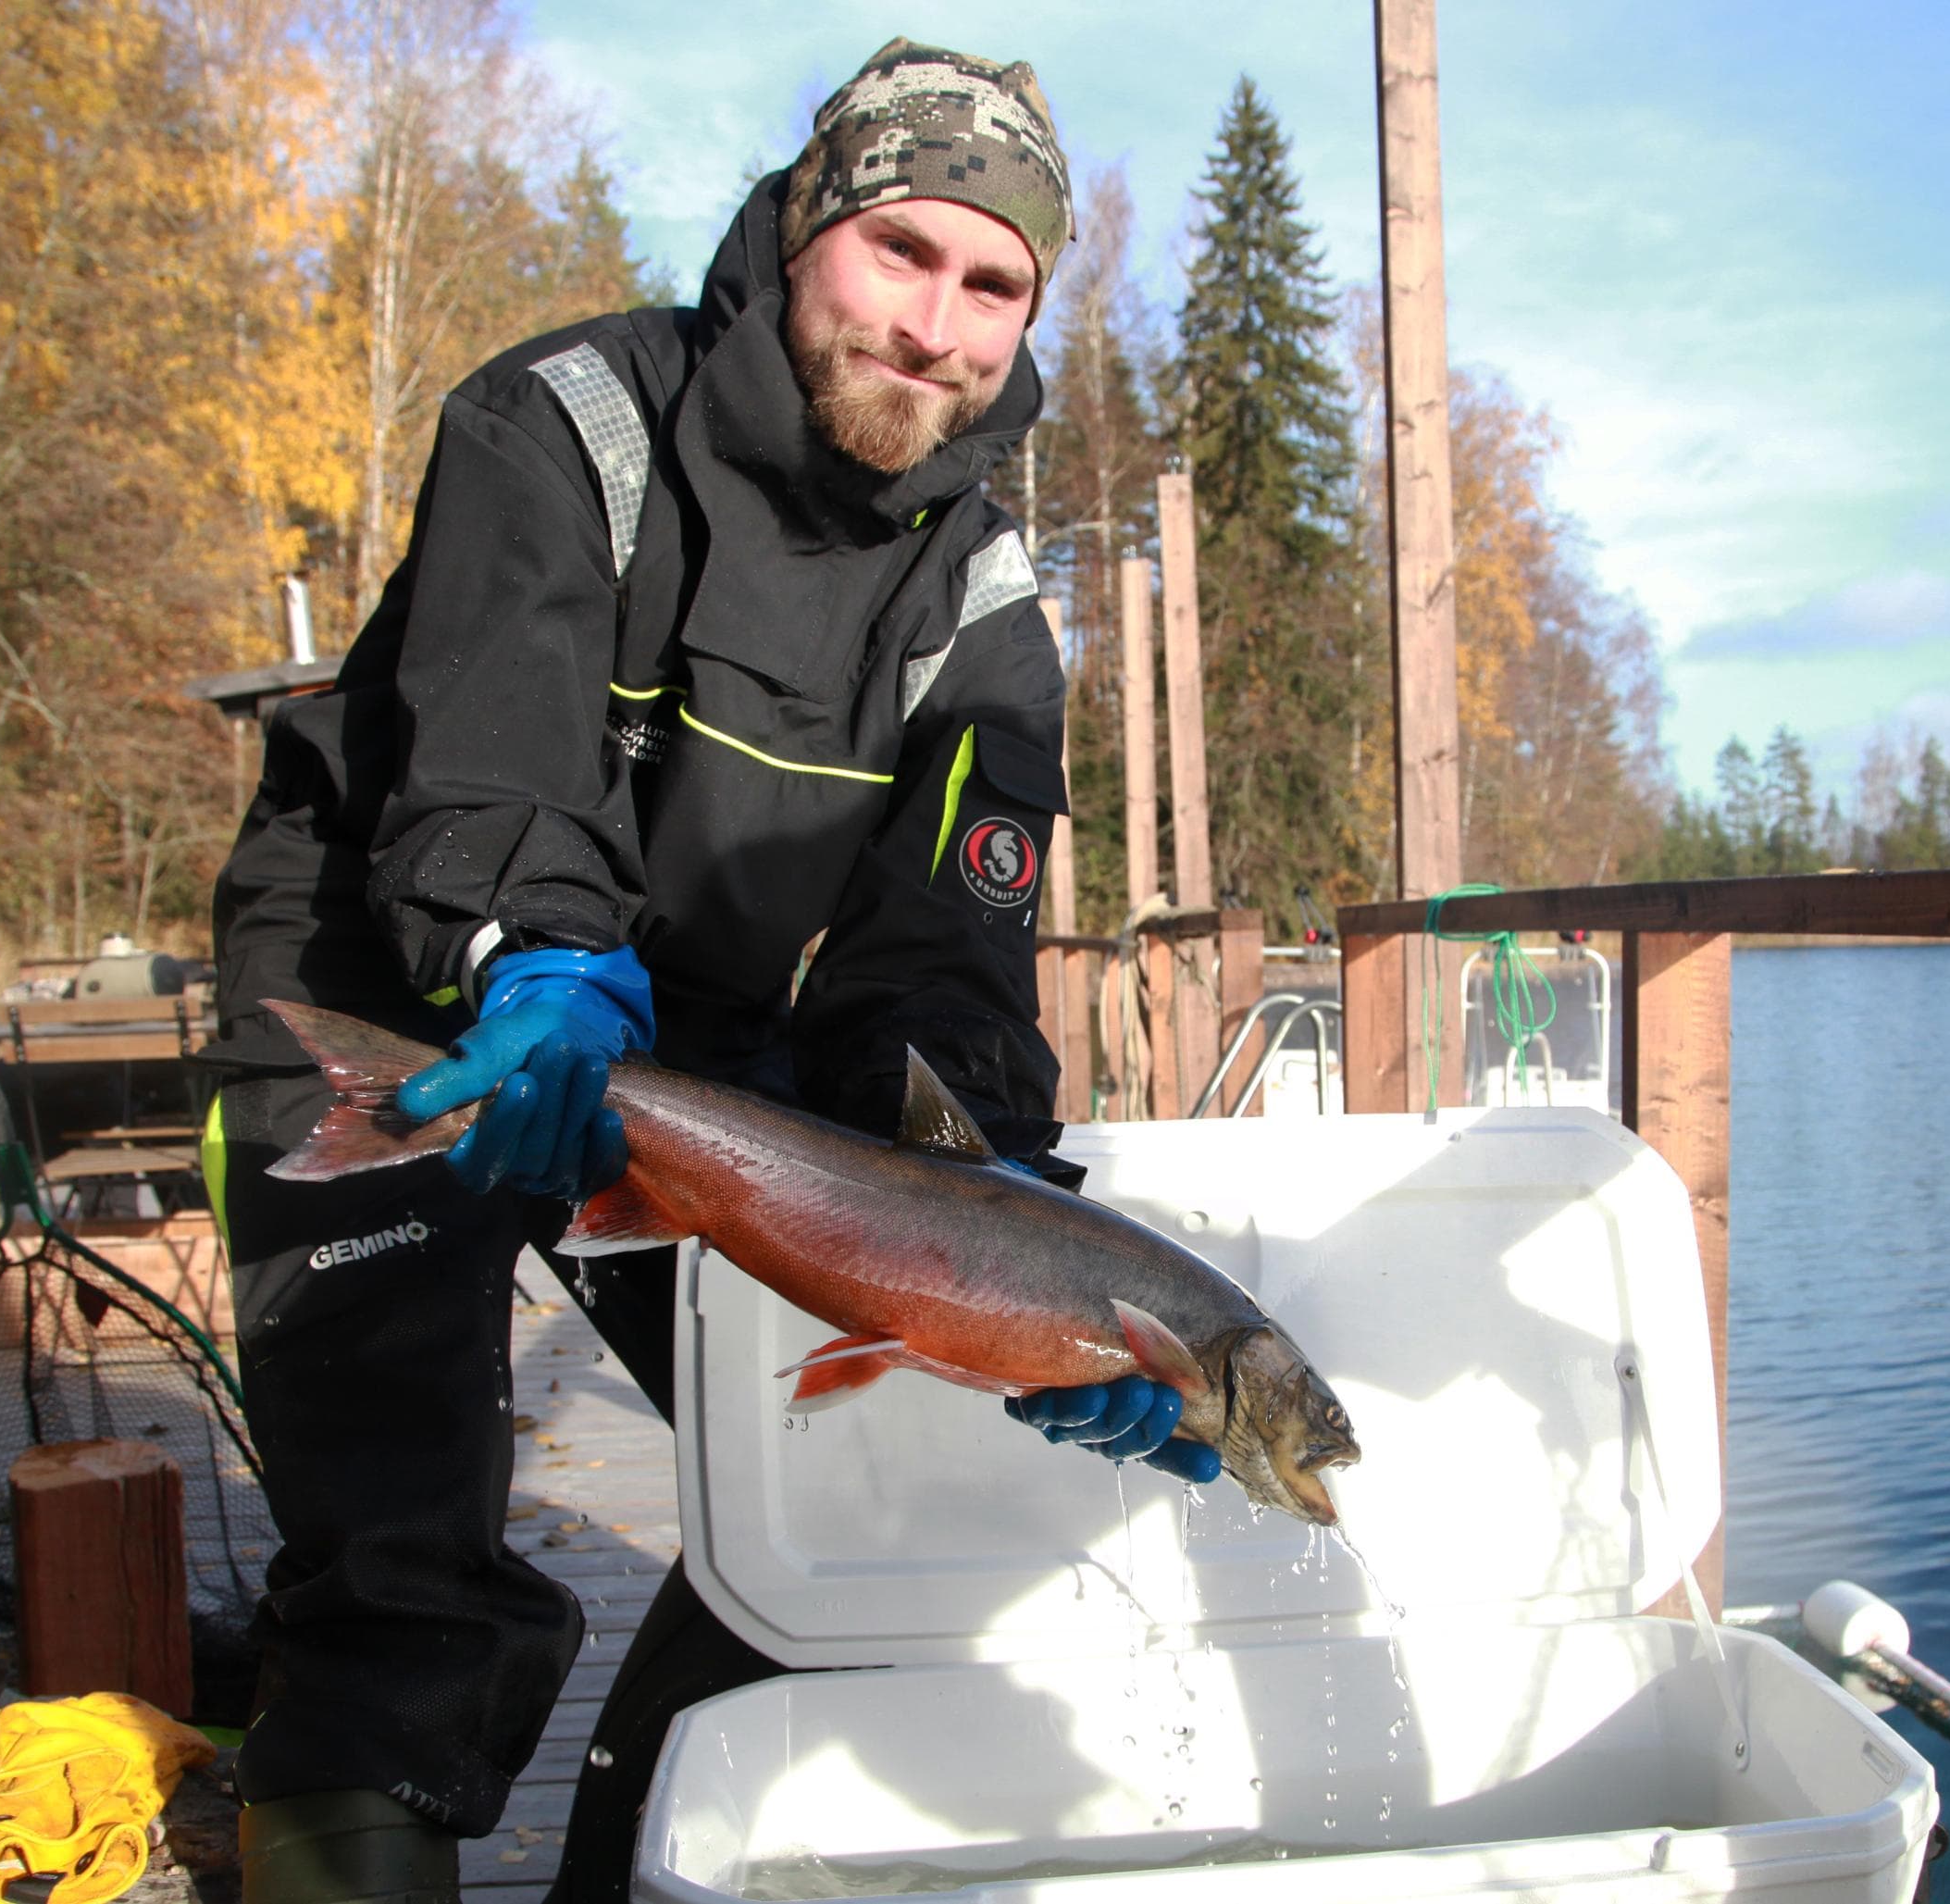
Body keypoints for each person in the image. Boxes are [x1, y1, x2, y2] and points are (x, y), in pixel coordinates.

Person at [202, 40, 1213, 1904]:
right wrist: (545, 967)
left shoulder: (986, 615)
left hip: (706, 1025)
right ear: (806, 226)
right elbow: (488, 765)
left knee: (845, 1503)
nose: (936, 326)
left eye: (995, 286)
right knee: (398, 1556)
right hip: (402, 959)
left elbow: (941, 971)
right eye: (901, 251)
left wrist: (1011, 1236)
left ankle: (647, 1861)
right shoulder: (561, 423)